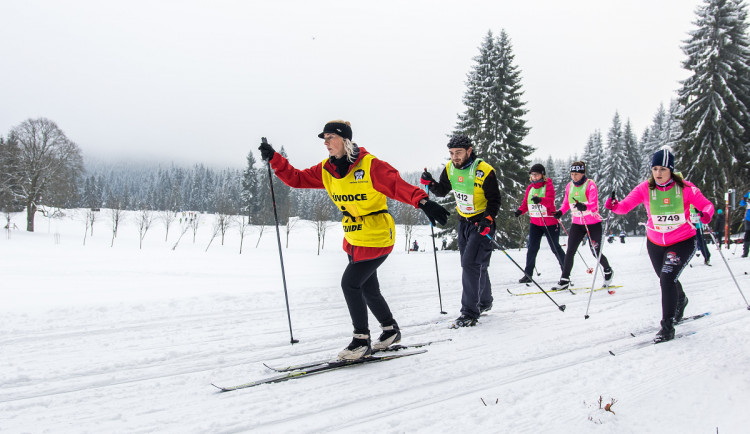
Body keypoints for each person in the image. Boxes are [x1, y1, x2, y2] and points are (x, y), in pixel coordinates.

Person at [258, 120, 450, 360]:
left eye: (330, 137)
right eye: (324, 138)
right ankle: (390, 330)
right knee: (368, 288)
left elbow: (396, 185)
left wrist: (423, 201)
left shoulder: (369, 165)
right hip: (354, 236)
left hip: (378, 236)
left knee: (350, 283)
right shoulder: (327, 170)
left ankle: (361, 340)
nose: (326, 143)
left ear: (345, 140)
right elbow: (296, 178)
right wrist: (275, 158)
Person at [605, 147, 713, 342]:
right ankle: (681, 300)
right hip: (655, 242)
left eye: (662, 169)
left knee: (666, 279)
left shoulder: (686, 188)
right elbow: (625, 206)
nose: (658, 174)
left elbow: (707, 205)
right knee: (667, 278)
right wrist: (614, 205)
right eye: (655, 169)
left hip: (682, 241)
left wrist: (706, 215)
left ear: (671, 169)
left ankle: (667, 326)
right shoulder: (644, 188)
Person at [420, 134, 501, 327]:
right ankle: (485, 301)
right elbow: (441, 190)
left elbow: (495, 200)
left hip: (481, 223)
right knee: (475, 264)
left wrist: (487, 219)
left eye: (458, 153)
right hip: (463, 222)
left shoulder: (484, 170)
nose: (454, 157)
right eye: (451, 153)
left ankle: (469, 313)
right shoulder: (450, 168)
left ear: (469, 151)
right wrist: (430, 182)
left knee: (469, 264)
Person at [551, 161, 613, 290]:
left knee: (595, 251)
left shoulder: (590, 185)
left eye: (577, 174)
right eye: (572, 174)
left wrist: (584, 206)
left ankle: (607, 270)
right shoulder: (569, 186)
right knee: (570, 251)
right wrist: (560, 212)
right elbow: (566, 203)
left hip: (593, 223)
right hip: (577, 224)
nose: (574, 177)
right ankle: (565, 279)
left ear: (583, 173)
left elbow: (594, 205)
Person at [513, 163, 566, 284]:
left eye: (536, 175)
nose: (534, 177)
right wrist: (520, 211)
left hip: (549, 222)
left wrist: (540, 200)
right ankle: (528, 274)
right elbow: (526, 204)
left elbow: (550, 201)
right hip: (535, 223)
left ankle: (565, 272)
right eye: (532, 175)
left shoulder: (548, 185)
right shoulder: (530, 188)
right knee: (532, 248)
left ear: (542, 174)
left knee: (555, 247)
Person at [740, 192, 750, 257]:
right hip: (748, 218)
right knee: (747, 235)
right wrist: (743, 199)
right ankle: (745, 252)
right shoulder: (748, 193)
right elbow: (742, 204)